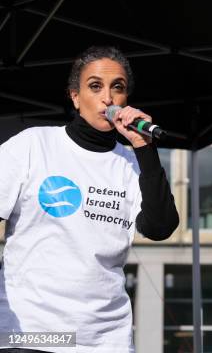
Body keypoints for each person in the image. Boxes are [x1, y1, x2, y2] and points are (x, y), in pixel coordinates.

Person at [0, 46, 179, 353]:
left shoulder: (133, 162)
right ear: (75, 97)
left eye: (117, 87)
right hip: (31, 332)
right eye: (95, 86)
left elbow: (160, 227)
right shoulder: (33, 145)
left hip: (106, 340)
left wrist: (145, 149)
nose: (107, 98)